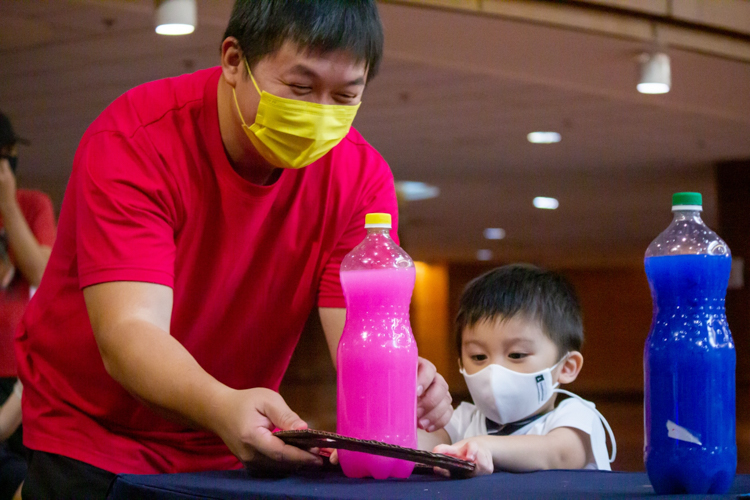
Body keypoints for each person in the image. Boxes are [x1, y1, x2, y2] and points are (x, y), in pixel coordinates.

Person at [16, 1, 452, 498]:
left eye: (346, 95)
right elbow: (129, 332)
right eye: (301, 88)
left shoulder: (360, 177)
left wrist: (403, 380)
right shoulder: (136, 139)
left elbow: (360, 333)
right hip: (95, 436)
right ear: (232, 60)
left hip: (232, 446)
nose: (320, 115)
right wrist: (222, 404)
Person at [418, 264, 615, 475]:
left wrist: (482, 447)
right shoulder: (463, 420)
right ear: (461, 363)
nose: (494, 370)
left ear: (566, 367)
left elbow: (557, 454)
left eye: (517, 355)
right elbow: (417, 445)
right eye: (478, 356)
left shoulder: (577, 416)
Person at [0, 113, 56, 500]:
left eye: (11, 157)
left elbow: (41, 271)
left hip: (19, 380)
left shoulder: (30, 204)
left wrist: (7, 201)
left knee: (28, 476)